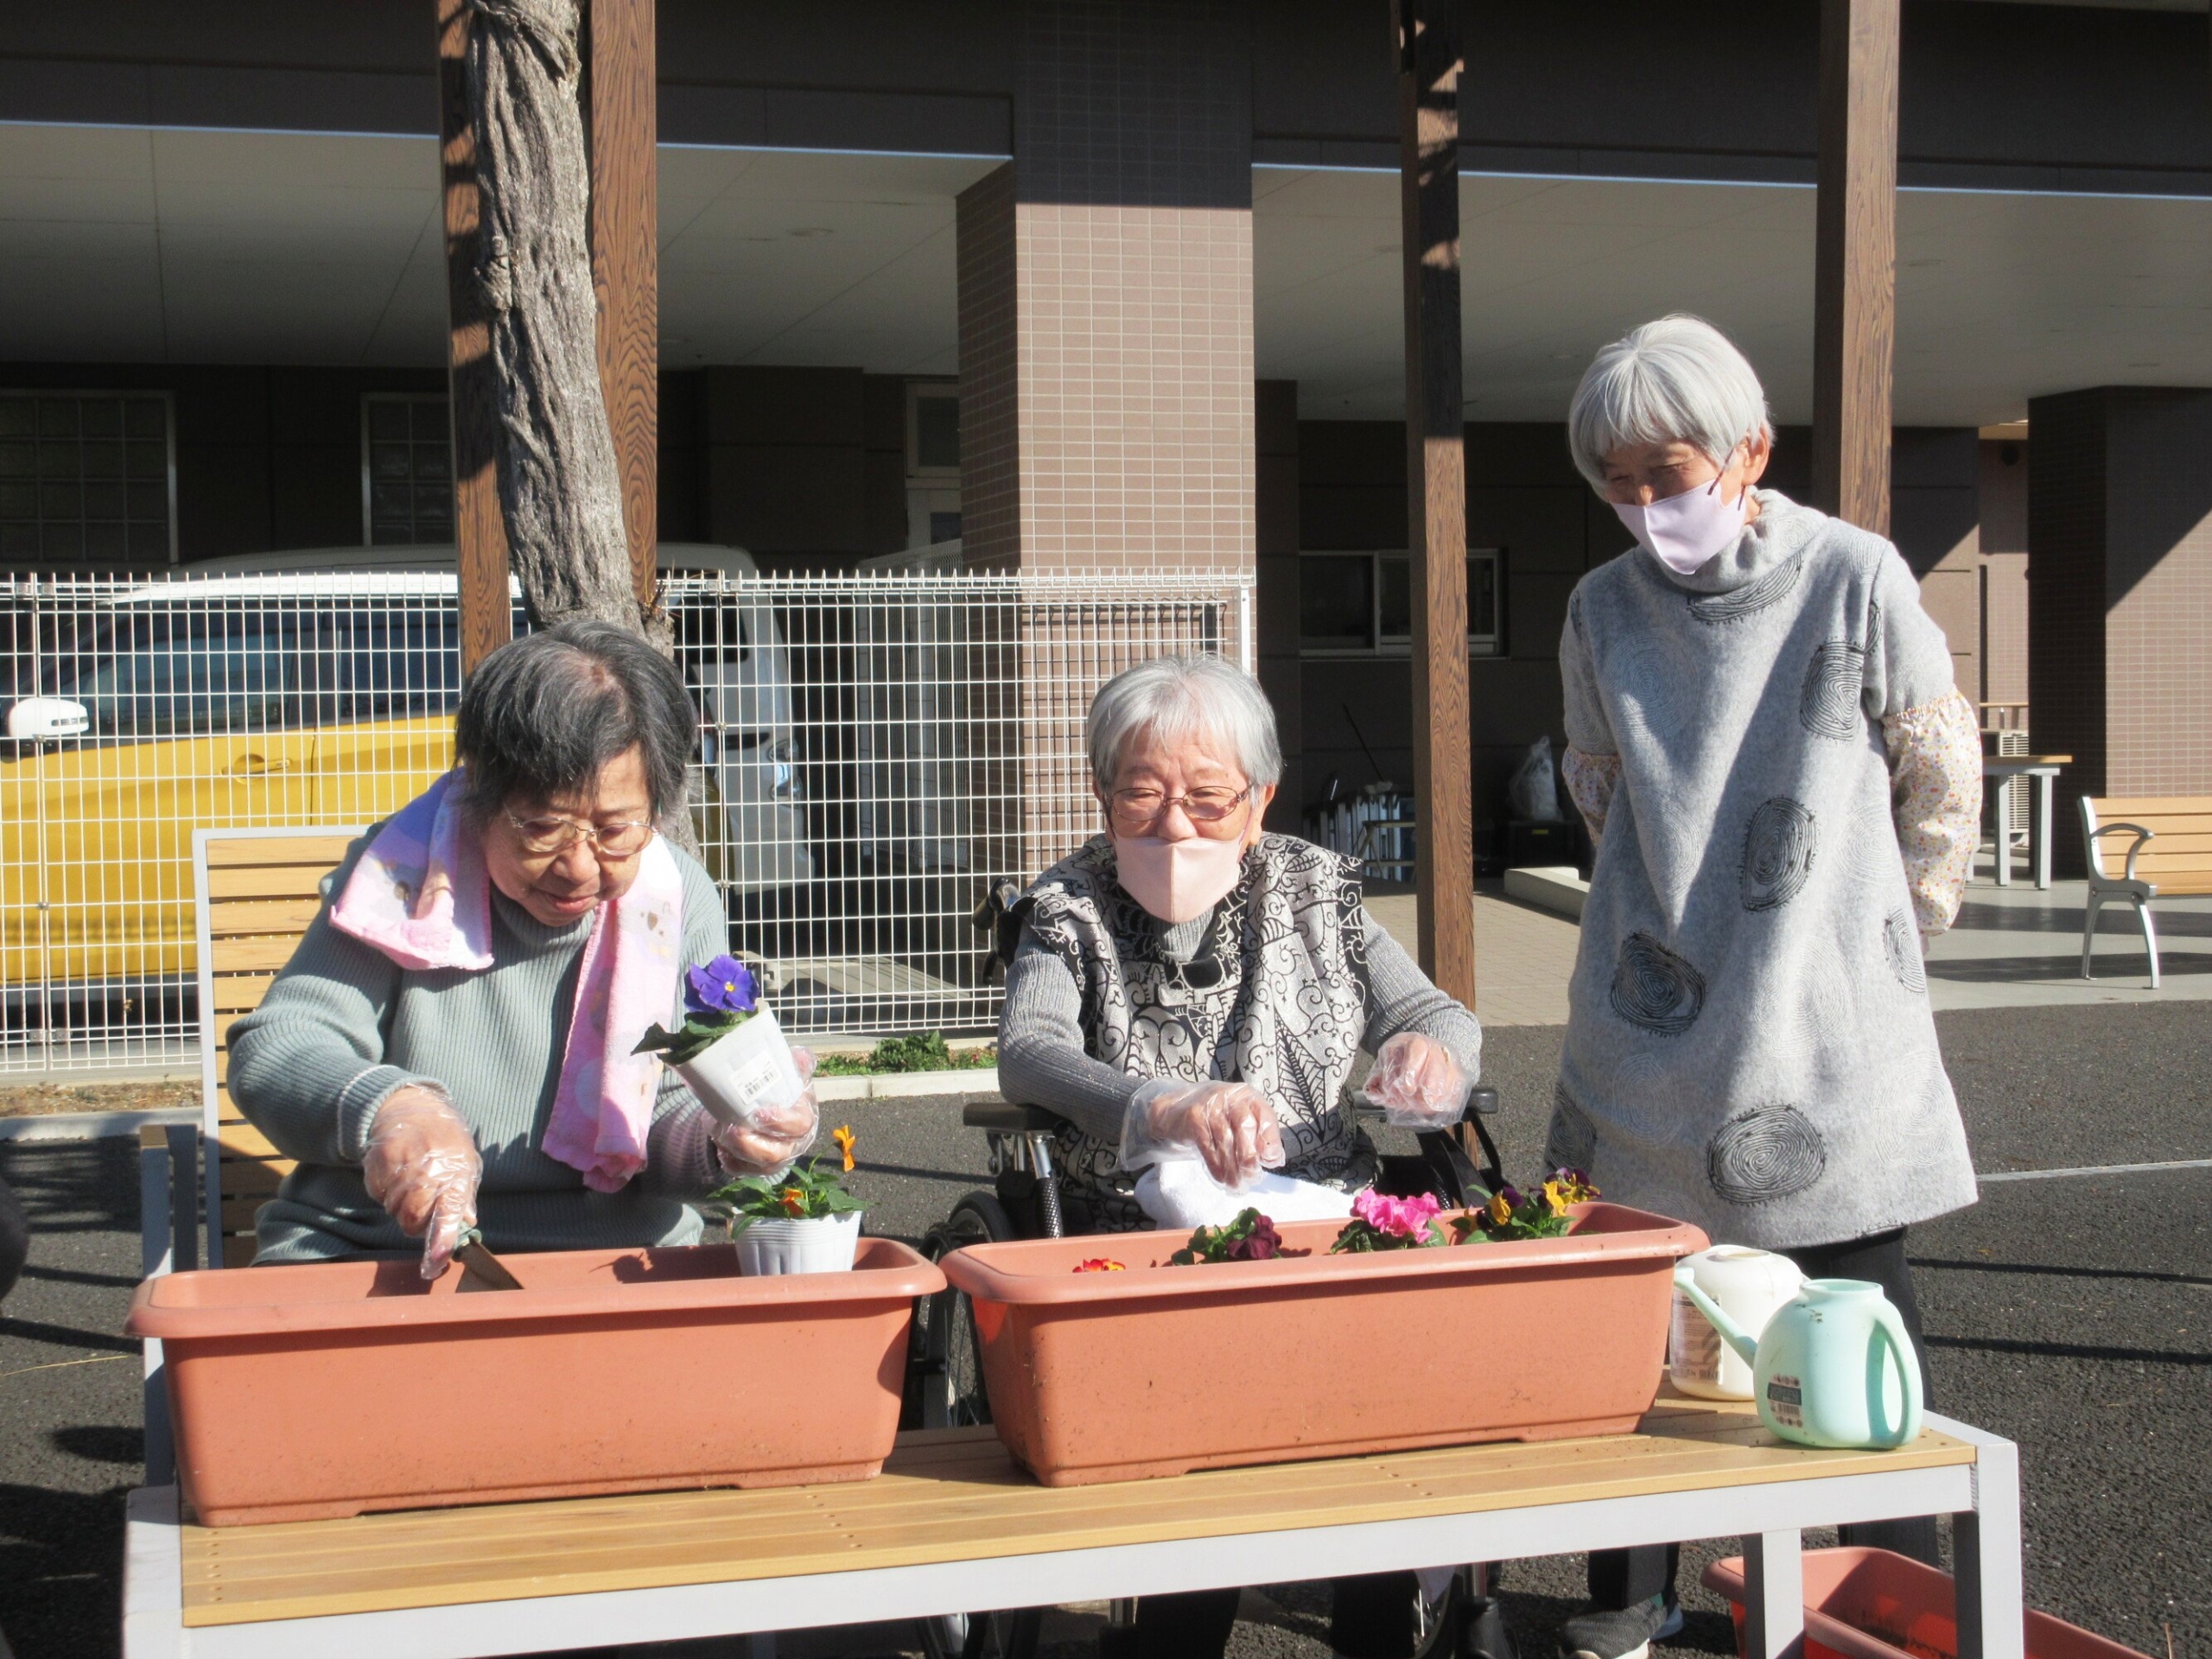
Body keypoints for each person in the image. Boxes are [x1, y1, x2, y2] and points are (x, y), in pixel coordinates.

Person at [1550, 315, 1981, 1659]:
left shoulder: (1855, 577)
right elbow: (1596, 785)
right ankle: (1631, 1609)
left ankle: (1881, 1620)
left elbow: (1937, 781)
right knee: (1638, 1333)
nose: (1642, 505)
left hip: (1827, 1023)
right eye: (1614, 481)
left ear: (1750, 451)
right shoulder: (1600, 607)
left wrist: (1879, 940)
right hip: (1650, 1008)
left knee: (1848, 1333)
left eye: (1666, 472)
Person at [998, 652, 1486, 1659]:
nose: (1173, 826)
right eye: (1140, 794)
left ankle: (1381, 1616)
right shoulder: (1066, 904)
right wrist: (1156, 1103)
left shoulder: (1317, 889)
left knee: (1390, 1378)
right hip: (1140, 1223)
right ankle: (1180, 1627)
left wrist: (1428, 1054)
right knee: (1208, 1382)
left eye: (1208, 799)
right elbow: (1030, 1054)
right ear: (1100, 793)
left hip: (1321, 1202)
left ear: (1259, 802)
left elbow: (1435, 1012)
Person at [228, 620, 819, 1277]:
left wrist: (728, 1139)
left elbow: (671, 1104)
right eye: (542, 826)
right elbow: (278, 1047)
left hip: (611, 1265)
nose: (578, 866)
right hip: (378, 1250)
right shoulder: (402, 878)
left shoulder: (675, 893)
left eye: (615, 829)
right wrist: (390, 1108)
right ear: (481, 789)